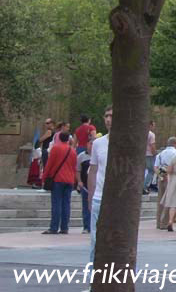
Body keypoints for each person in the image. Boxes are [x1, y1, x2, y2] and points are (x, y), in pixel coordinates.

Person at [40, 131, 77, 235]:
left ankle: (54, 227)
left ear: (59, 138)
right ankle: (65, 228)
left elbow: (49, 164)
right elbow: (74, 167)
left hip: (58, 179)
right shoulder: (73, 151)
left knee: (56, 204)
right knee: (66, 204)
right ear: (68, 139)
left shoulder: (56, 148)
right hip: (69, 180)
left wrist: (44, 177)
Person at [87, 107, 111, 262]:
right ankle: (93, 281)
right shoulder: (98, 143)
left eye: (112, 116)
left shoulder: (128, 143)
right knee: (95, 240)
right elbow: (93, 170)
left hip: (118, 200)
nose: (108, 119)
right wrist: (90, 196)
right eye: (106, 116)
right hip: (99, 197)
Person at [154, 137, 176, 229]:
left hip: (161, 178)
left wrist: (161, 175)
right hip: (171, 178)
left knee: (160, 200)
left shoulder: (160, 154)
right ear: (175, 144)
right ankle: (164, 222)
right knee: (169, 200)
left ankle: (158, 222)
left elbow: (155, 167)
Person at [77, 143, 91, 233]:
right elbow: (78, 170)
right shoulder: (81, 156)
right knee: (86, 206)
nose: (91, 146)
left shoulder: (99, 155)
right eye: (90, 144)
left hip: (97, 185)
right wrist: (79, 181)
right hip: (85, 186)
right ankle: (86, 226)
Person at [144, 121, 156, 194]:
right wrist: (154, 153)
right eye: (154, 125)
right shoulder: (151, 134)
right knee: (151, 171)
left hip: (143, 154)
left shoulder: (142, 133)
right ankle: (144, 186)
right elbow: (152, 145)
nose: (154, 127)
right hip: (149, 154)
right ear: (150, 125)